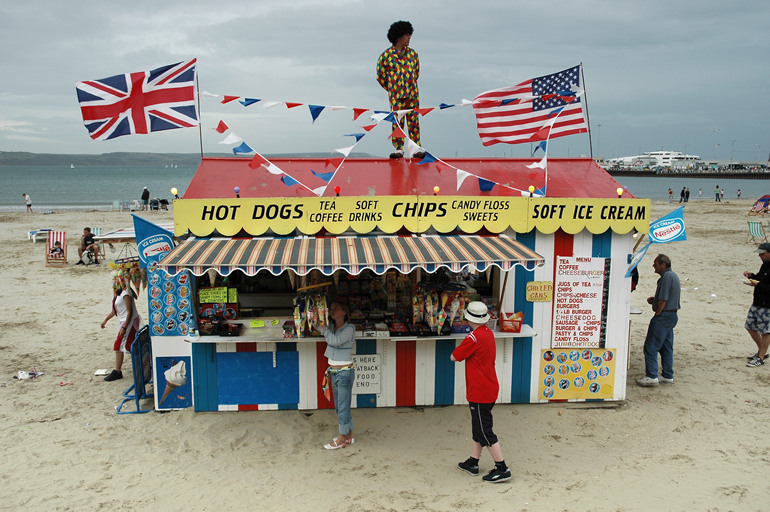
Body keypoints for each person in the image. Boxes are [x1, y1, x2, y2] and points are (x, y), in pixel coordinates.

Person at [451, 301, 511, 483]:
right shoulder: (488, 333)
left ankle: (502, 467)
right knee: (478, 427)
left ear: (469, 318)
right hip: (489, 387)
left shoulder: (474, 337)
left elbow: (454, 356)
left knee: (484, 431)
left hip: (479, 390)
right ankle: (473, 462)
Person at [376, 20, 425, 160]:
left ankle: (416, 148)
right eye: (407, 35)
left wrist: (409, 85)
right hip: (396, 96)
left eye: (410, 35)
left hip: (412, 95)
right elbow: (380, 76)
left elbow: (416, 74)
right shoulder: (386, 56)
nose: (409, 37)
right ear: (398, 36)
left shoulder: (413, 55)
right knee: (397, 121)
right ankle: (398, 149)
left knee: (414, 121)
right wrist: (392, 88)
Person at [636, 254, 681, 387]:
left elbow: (663, 300)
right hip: (671, 315)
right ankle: (667, 374)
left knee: (651, 346)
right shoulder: (672, 276)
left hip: (664, 316)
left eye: (655, 263)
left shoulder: (666, 277)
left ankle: (651, 375)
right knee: (666, 347)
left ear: (663, 264)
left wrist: (658, 313)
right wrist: (654, 300)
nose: (653, 266)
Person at [322, 301, 356, 449]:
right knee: (340, 406)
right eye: (332, 308)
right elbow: (321, 328)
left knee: (342, 407)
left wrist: (322, 328)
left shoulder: (350, 328)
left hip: (344, 373)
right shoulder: (331, 328)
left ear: (344, 312)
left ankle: (342, 438)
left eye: (337, 308)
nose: (333, 310)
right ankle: (348, 434)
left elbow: (334, 341)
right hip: (335, 372)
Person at [100, 275, 142, 381]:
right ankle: (136, 365)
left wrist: (125, 327)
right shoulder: (119, 294)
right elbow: (115, 310)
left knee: (120, 345)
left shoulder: (125, 293)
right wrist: (106, 320)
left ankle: (118, 370)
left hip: (128, 322)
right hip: (124, 321)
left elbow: (129, 311)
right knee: (127, 344)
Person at [743, 242, 770, 367]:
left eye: (762, 254)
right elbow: (761, 278)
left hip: (767, 304)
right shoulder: (765, 264)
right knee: (750, 326)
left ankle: (761, 357)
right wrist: (752, 276)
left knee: (766, 331)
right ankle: (762, 351)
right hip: (757, 301)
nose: (760, 256)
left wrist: (757, 284)